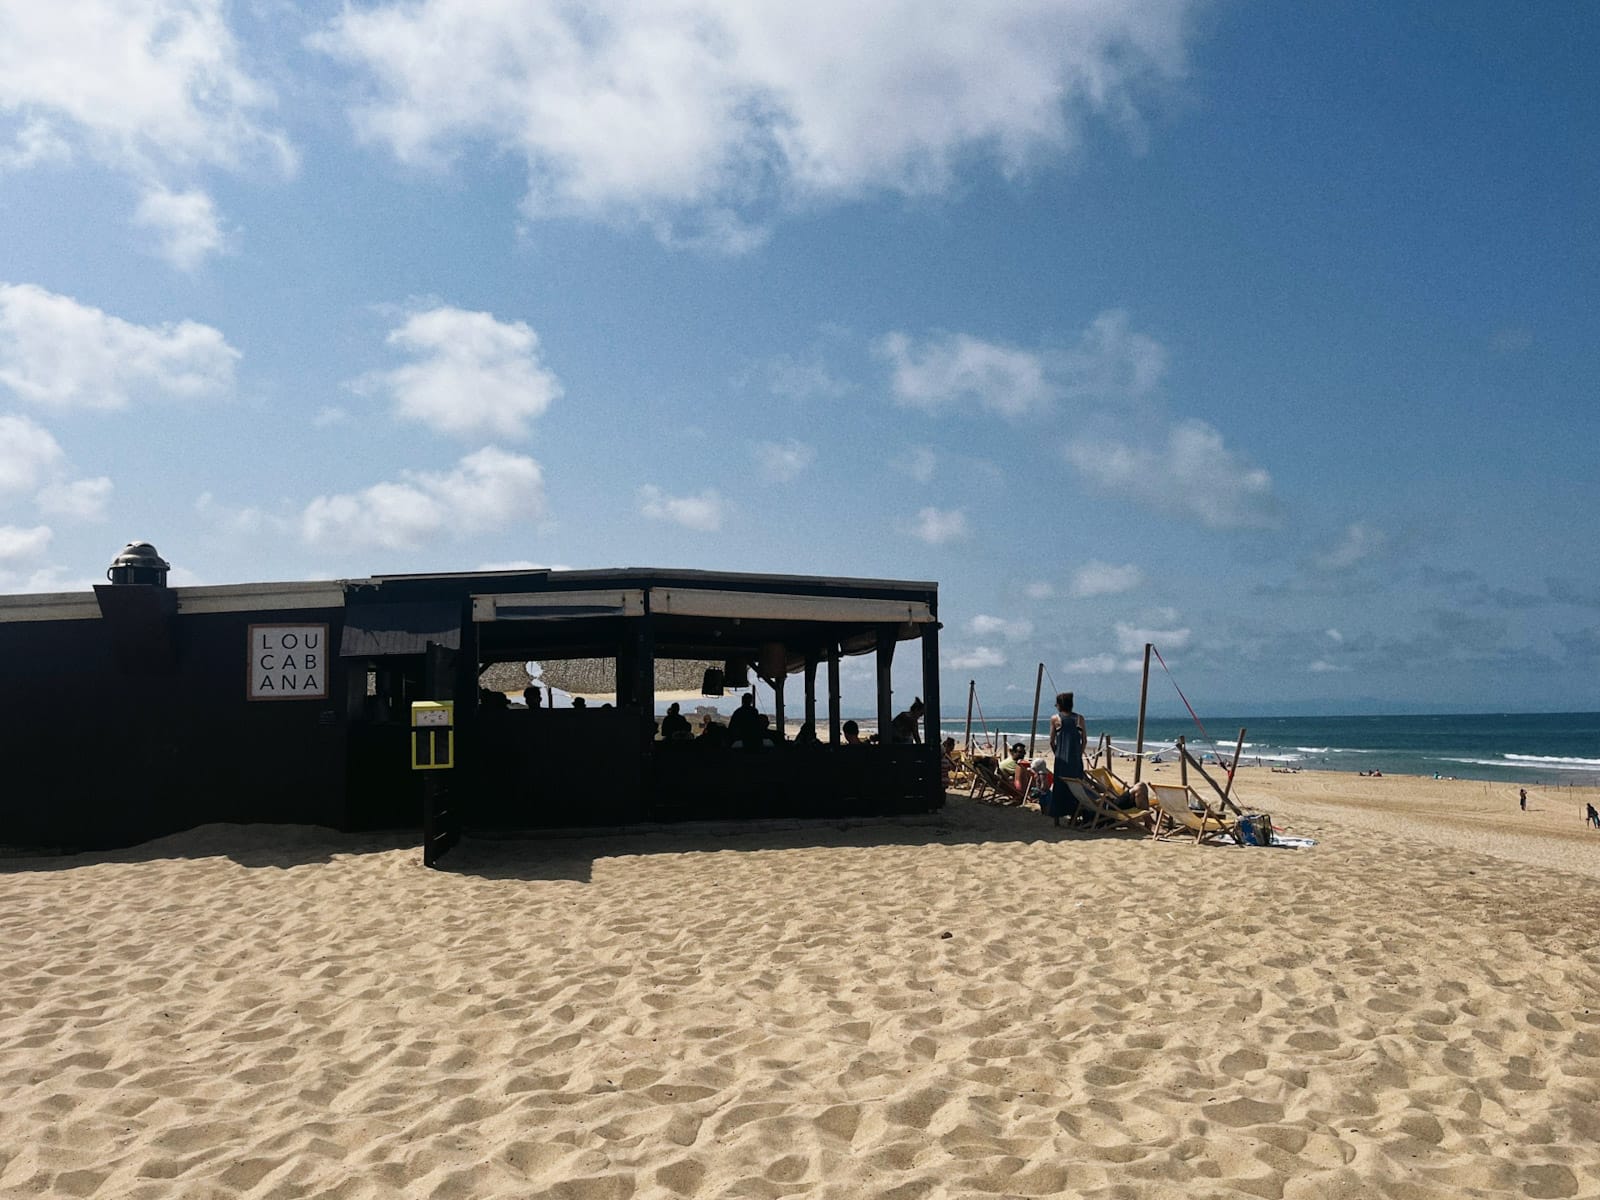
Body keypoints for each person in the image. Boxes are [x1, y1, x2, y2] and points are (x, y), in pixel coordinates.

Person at [1045, 691, 1085, 827]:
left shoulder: (1055, 719)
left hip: (1061, 759)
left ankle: (1056, 819)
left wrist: (1057, 753)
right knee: (1076, 788)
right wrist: (1079, 754)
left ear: (1060, 705)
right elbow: (1084, 740)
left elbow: (1051, 741)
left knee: (1059, 787)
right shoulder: (1079, 718)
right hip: (1075, 759)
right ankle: (1074, 817)